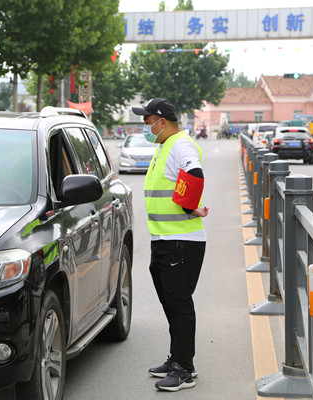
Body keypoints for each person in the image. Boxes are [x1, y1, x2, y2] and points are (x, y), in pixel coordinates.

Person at [132, 98, 209, 393]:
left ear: (162, 122)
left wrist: (189, 208)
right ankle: (176, 358)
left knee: (179, 304)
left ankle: (184, 369)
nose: (145, 127)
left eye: (147, 121)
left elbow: (194, 175)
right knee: (170, 303)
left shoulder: (181, 145)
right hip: (164, 239)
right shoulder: (165, 146)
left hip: (182, 241)